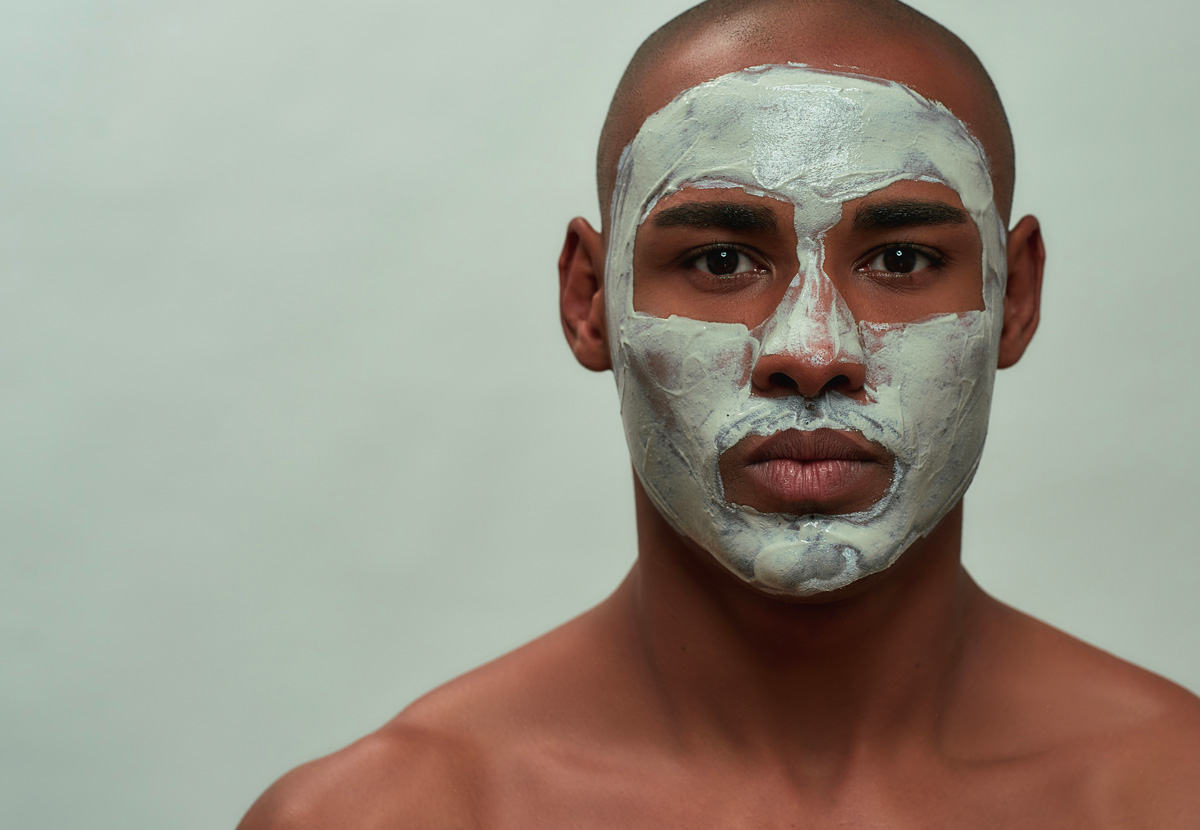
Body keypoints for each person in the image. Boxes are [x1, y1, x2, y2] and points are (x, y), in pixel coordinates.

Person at [239, 0, 1200, 826]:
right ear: (590, 300)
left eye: (901, 260)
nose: (812, 352)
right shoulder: (383, 818)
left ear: (1015, 296)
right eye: (720, 261)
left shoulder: (1172, 795)